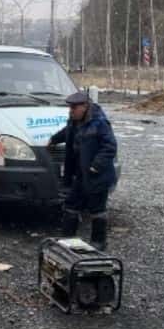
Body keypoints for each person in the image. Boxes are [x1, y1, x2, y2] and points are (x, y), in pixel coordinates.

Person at [48, 91, 117, 250]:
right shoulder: (74, 121)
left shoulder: (100, 123)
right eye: (69, 107)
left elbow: (110, 147)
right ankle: (67, 239)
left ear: (85, 107)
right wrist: (54, 139)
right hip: (80, 174)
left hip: (98, 176)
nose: (70, 111)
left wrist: (96, 166)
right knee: (71, 204)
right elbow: (67, 132)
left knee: (97, 209)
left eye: (74, 107)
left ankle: (98, 243)